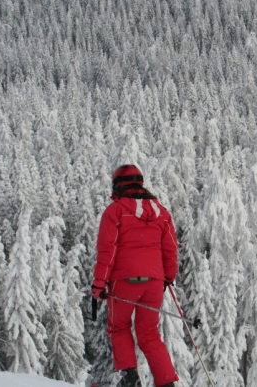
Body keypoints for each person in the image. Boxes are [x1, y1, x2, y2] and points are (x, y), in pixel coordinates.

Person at [92, 164, 179, 387]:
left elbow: (107, 251)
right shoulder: (162, 212)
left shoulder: (115, 211)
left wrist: (99, 284)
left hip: (124, 281)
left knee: (119, 327)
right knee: (149, 334)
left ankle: (130, 380)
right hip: (154, 282)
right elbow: (170, 249)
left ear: (118, 186)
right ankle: (167, 383)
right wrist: (168, 277)